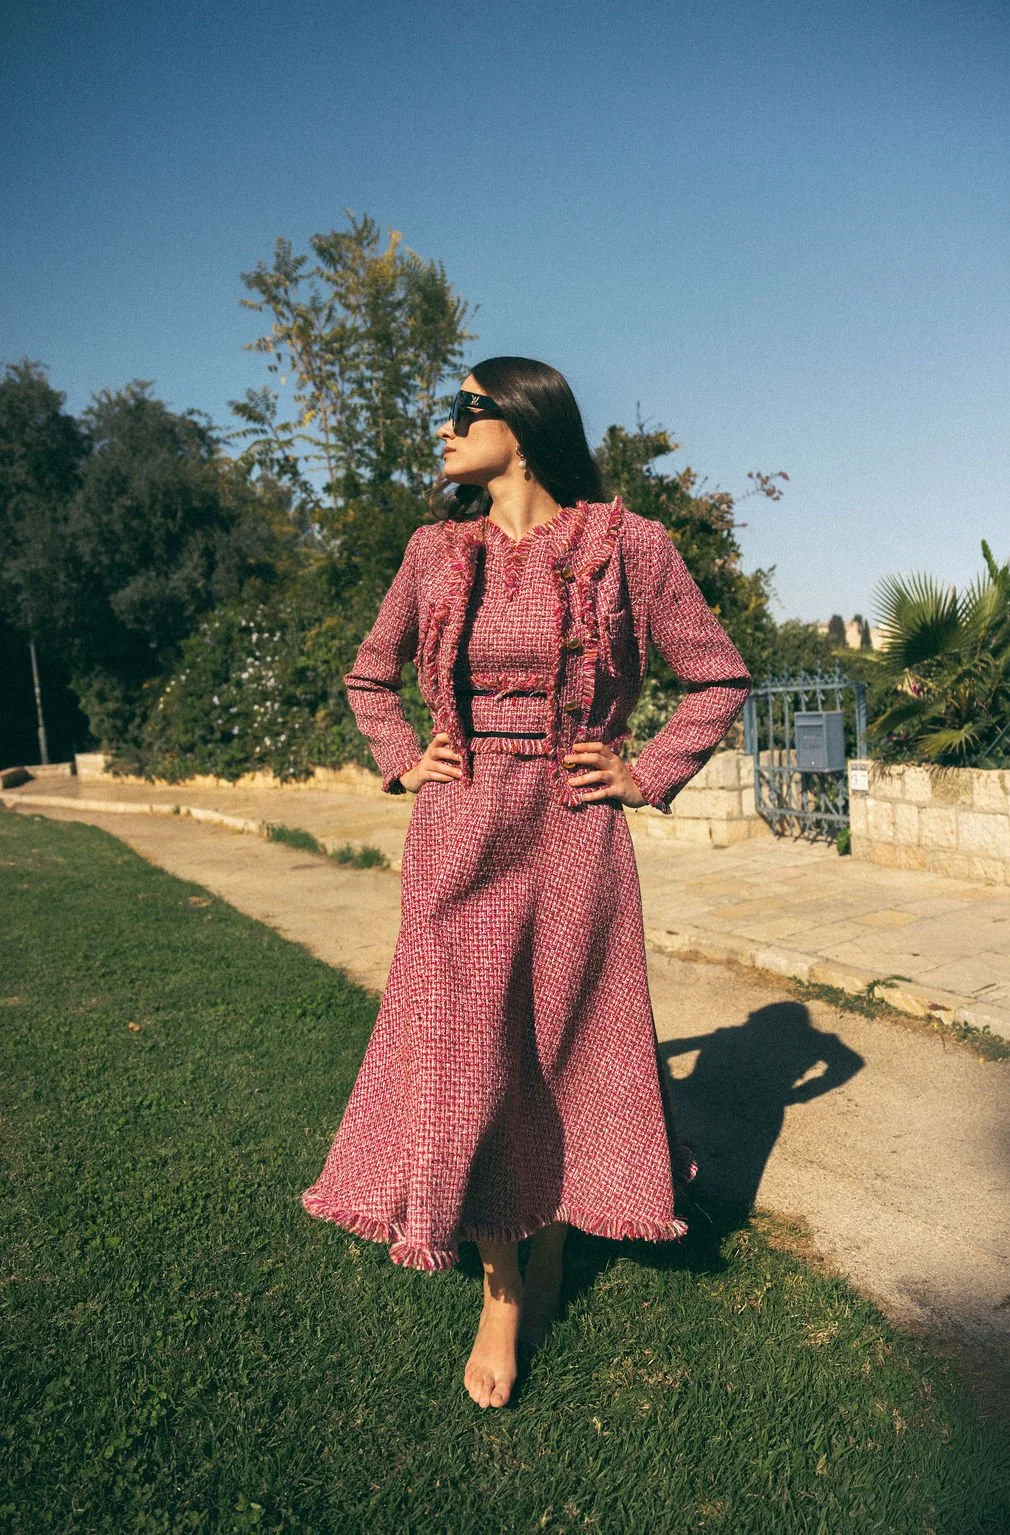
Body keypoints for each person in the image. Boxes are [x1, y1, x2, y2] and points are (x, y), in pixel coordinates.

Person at [302, 356, 752, 1409]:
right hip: (458, 828)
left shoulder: (627, 546)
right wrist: (403, 756)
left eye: (467, 408)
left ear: (526, 418)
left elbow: (718, 673)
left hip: (574, 830)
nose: (446, 427)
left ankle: (548, 1251)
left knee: (553, 1040)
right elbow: (371, 673)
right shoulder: (433, 552)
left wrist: (644, 772)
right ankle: (503, 1287)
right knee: (469, 1048)